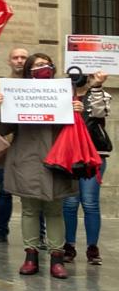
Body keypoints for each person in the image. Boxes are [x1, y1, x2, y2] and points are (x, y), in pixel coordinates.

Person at [0, 52, 80, 278]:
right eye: (38, 65)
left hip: (58, 158)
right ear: (29, 70)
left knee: (54, 210)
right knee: (30, 210)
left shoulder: (66, 92)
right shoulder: (16, 92)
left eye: (47, 64)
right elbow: (4, 130)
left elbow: (79, 129)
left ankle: (57, 258)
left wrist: (79, 112)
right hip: (27, 158)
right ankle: (31, 256)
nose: (43, 67)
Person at [62, 69, 109, 266]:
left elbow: (99, 112)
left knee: (90, 202)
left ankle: (92, 248)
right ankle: (69, 246)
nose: (79, 78)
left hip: (93, 154)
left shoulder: (100, 94)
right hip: (69, 155)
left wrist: (96, 86)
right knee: (70, 204)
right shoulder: (60, 95)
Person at [0, 46, 28, 246]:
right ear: (9, 61)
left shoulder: (40, 85)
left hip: (31, 147)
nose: (19, 60)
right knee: (4, 191)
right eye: (15, 57)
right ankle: (1, 232)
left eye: (23, 57)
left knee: (37, 191)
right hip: (7, 146)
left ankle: (42, 234)